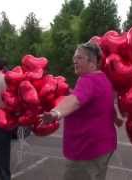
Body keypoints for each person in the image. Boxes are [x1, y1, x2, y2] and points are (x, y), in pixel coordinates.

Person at [40, 42, 125, 180]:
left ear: (92, 62)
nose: (74, 60)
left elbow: (75, 100)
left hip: (86, 151)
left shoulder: (87, 80)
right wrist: (118, 115)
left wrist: (56, 113)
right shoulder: (103, 78)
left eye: (79, 58)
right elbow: (107, 99)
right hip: (104, 147)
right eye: (74, 57)